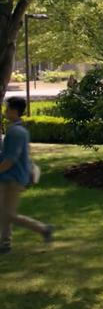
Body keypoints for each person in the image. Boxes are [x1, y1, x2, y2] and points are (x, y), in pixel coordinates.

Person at [0, 97, 53, 254]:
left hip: (13, 179)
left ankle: (43, 229)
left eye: (7, 108)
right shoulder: (16, 130)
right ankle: (5, 243)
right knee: (4, 212)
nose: (5, 111)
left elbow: (11, 159)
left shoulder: (16, 132)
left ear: (15, 111)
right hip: (9, 178)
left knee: (8, 214)